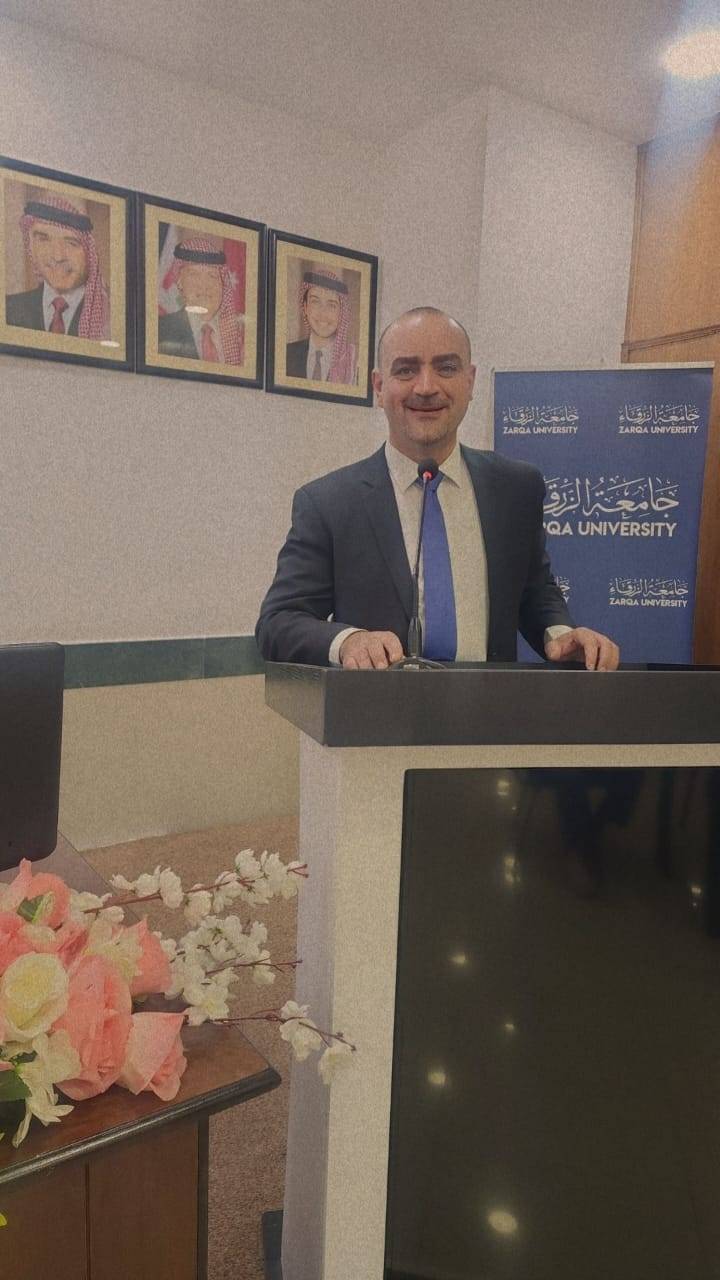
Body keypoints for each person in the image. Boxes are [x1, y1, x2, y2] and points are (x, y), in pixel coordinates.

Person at [257, 306, 620, 671]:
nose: (426, 387)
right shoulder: (328, 503)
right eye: (406, 370)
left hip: (490, 707)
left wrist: (560, 634)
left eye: (446, 368)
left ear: (470, 382)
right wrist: (348, 641)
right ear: (380, 387)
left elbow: (535, 593)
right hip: (377, 707)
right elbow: (278, 622)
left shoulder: (516, 490)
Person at [6, 193, 110, 339]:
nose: (58, 257)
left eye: (71, 243)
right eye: (44, 239)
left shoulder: (111, 315)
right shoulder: (8, 308)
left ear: (89, 254)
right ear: (31, 247)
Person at [158, 238, 244, 364]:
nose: (204, 285)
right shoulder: (161, 330)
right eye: (194, 275)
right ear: (180, 282)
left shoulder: (240, 337)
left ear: (222, 284)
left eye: (212, 276)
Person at [285, 269, 357, 384]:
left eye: (331, 305)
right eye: (315, 302)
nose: (323, 313)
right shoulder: (286, 354)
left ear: (341, 313)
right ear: (305, 307)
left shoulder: (351, 363)